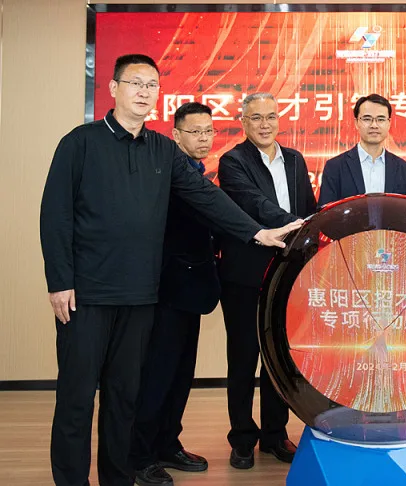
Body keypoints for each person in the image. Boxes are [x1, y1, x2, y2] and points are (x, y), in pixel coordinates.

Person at [40, 54, 300, 486]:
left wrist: (257, 232)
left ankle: (119, 478)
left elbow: (206, 197)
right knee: (77, 399)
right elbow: (55, 215)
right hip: (86, 294)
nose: (144, 92)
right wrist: (60, 281)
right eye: (135, 83)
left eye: (151, 85)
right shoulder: (79, 143)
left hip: (142, 295)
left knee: (124, 398)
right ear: (114, 88)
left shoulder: (163, 150)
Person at [217, 93, 317, 469]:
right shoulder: (233, 161)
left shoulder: (295, 159)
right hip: (245, 274)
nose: (264, 124)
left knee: (279, 357)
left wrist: (310, 228)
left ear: (279, 120)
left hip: (286, 274)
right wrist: (296, 225)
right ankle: (243, 438)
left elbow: (308, 206)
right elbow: (253, 204)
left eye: (271, 117)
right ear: (243, 122)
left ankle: (275, 434)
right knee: (244, 358)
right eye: (256, 118)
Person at [131, 102, 221, 486]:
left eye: (208, 131)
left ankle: (168, 443)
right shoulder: (168, 174)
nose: (203, 138)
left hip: (192, 292)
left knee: (181, 376)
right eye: (194, 132)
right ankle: (140, 457)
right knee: (157, 377)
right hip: (166, 292)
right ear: (176, 135)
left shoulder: (198, 172)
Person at [318, 94, 406, 205]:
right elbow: (326, 212)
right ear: (356, 123)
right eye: (367, 119)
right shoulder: (335, 167)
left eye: (381, 119)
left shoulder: (403, 169)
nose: (374, 125)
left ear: (389, 123)